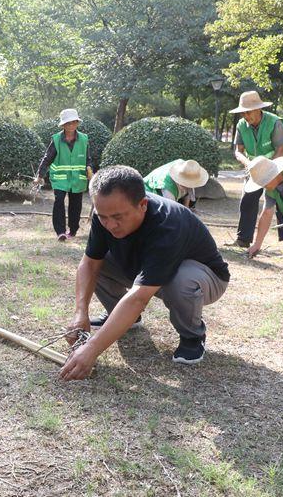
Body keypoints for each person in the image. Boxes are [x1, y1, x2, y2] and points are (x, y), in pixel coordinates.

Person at [58, 165, 230, 381]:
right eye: (103, 217)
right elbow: (89, 264)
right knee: (99, 264)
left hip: (206, 277)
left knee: (180, 280)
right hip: (146, 265)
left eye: (118, 217)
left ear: (143, 205)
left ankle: (192, 336)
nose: (110, 225)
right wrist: (80, 312)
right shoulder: (105, 212)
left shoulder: (169, 225)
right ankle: (124, 318)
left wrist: (91, 349)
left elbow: (139, 297)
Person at [229, 91, 283, 252]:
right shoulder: (241, 125)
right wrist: (249, 165)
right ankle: (243, 239)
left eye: (248, 111)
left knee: (282, 200)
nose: (245, 115)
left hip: (278, 165)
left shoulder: (275, 122)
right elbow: (238, 151)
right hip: (254, 167)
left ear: (258, 109)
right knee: (247, 200)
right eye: (243, 112)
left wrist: (270, 171)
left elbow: (280, 149)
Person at [34, 109, 95, 241]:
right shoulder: (56, 139)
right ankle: (60, 232)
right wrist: (40, 175)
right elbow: (47, 158)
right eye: (68, 123)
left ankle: (73, 230)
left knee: (76, 204)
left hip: (78, 178)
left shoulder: (84, 139)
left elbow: (88, 158)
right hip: (60, 178)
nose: (71, 125)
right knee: (59, 201)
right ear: (63, 125)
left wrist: (90, 171)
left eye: (74, 122)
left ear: (77, 123)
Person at [143, 159, 209, 208]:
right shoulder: (167, 187)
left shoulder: (188, 169)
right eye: (187, 184)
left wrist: (186, 210)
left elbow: (188, 193)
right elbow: (171, 210)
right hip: (147, 193)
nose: (189, 186)